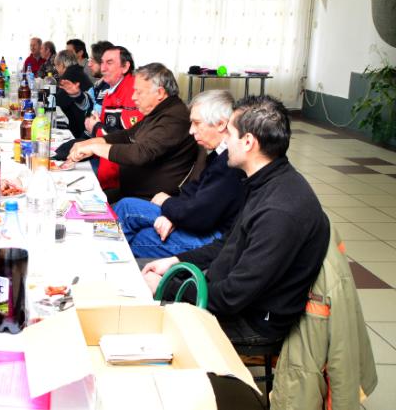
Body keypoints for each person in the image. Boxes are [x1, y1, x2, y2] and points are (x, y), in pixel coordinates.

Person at [141, 95, 330, 346]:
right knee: (139, 274)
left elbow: (231, 298)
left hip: (252, 321)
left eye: (229, 134)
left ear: (248, 142)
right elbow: (228, 243)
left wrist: (167, 286)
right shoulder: (265, 180)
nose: (225, 141)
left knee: (140, 318)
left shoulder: (278, 211)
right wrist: (176, 261)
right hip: (228, 292)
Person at [113, 90, 244, 257]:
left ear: (220, 124)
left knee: (141, 236)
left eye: (197, 123)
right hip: (196, 217)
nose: (191, 131)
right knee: (126, 206)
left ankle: (108, 259)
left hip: (214, 236)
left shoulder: (231, 163)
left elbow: (200, 216)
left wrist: (168, 206)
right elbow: (194, 190)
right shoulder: (219, 153)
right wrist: (173, 213)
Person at [69, 63, 198, 202]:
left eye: (139, 92)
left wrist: (94, 148)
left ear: (160, 93)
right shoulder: (160, 111)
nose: (134, 97)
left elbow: (140, 154)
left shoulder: (175, 118)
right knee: (77, 198)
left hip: (147, 201)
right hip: (131, 192)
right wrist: (89, 143)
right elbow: (127, 136)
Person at [62, 46, 143, 191]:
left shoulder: (133, 92)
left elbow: (128, 139)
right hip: (103, 161)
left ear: (125, 67)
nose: (103, 68)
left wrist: (95, 128)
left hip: (120, 175)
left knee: (64, 181)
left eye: (109, 63)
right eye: (102, 62)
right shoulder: (110, 87)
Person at [55, 50, 93, 138]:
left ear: (61, 65)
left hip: (79, 128)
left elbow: (59, 102)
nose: (56, 70)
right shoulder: (77, 71)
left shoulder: (68, 75)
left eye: (56, 65)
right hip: (85, 121)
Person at [88, 40, 112, 117]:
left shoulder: (110, 87)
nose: (89, 64)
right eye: (89, 60)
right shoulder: (99, 84)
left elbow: (96, 115)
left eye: (92, 61)